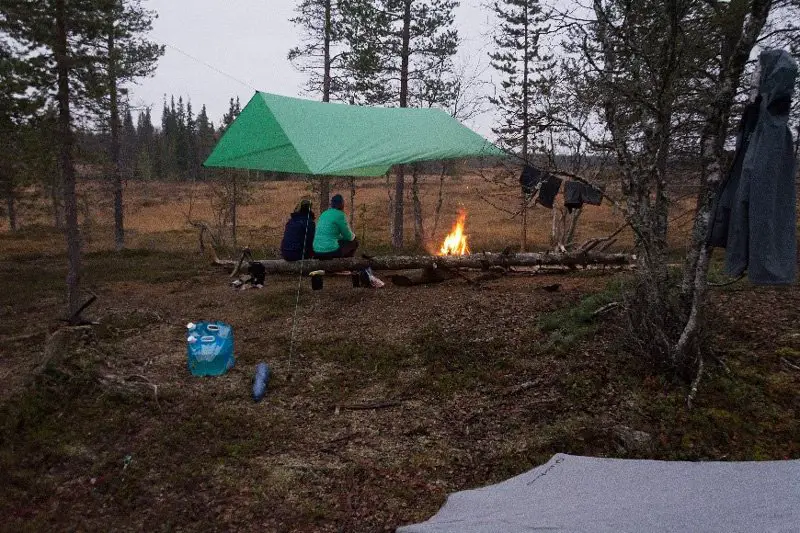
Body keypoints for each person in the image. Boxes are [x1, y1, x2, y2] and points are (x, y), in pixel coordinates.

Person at [313, 194, 359, 259]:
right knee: (354, 242)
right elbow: (348, 236)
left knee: (341, 242)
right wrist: (354, 236)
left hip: (316, 250)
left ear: (331, 204)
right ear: (342, 204)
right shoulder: (340, 215)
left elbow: (329, 234)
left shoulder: (324, 213)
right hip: (329, 251)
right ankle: (347, 264)